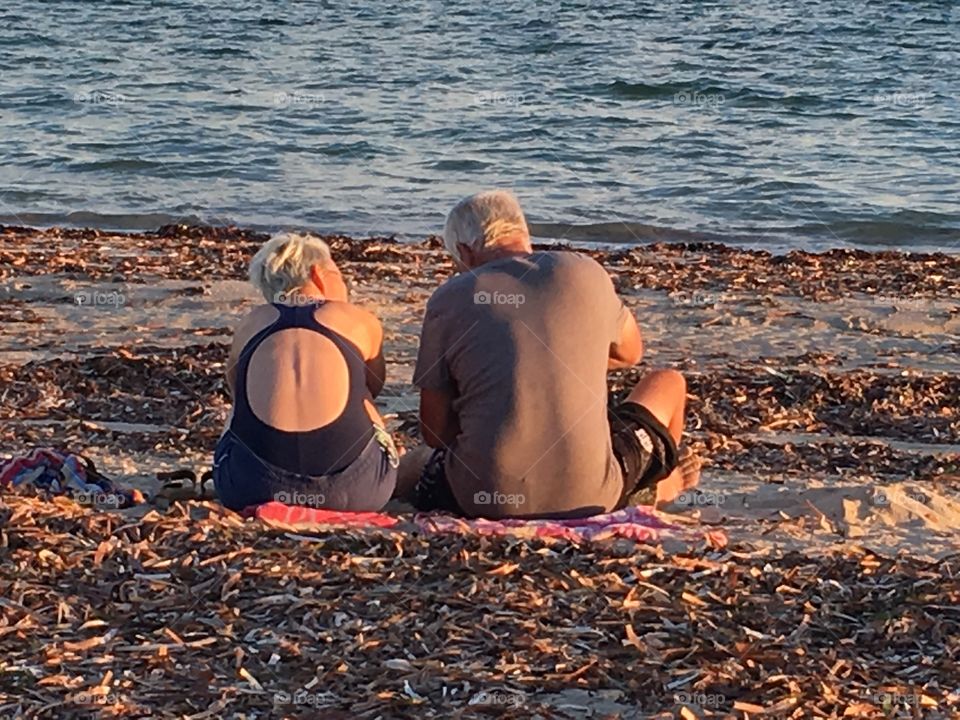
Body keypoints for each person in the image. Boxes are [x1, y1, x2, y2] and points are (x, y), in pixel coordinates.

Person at [398, 190, 700, 519]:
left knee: (417, 461)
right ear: (523, 232)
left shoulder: (448, 298)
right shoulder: (585, 271)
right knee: (668, 382)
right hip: (594, 497)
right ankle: (661, 485)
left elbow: (435, 432)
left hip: (484, 500)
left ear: (465, 252)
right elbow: (631, 353)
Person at [213, 232, 399, 512]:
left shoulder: (252, 321)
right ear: (318, 274)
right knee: (361, 394)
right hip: (355, 492)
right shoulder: (359, 320)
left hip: (252, 486)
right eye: (338, 275)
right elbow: (374, 386)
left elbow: (236, 392)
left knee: (241, 402)